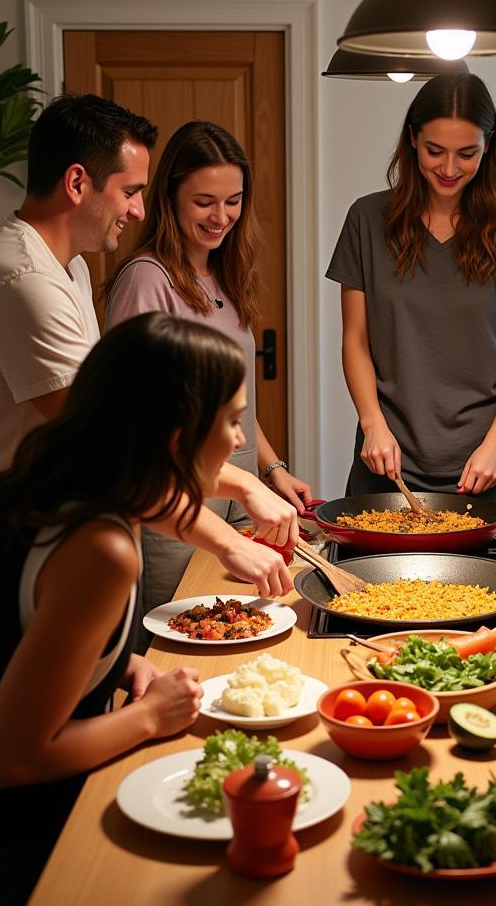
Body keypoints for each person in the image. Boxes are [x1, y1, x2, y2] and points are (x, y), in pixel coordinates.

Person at [0, 95, 295, 690]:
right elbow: (108, 451)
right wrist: (232, 519)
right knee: (4, 771)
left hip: (33, 561)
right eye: (129, 191)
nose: (140, 209)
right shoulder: (23, 284)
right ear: (77, 183)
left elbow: (119, 421)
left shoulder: (63, 266)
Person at [0, 313, 251, 904]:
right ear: (176, 439)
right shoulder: (102, 549)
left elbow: (26, 638)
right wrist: (153, 715)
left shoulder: (80, 489)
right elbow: (10, 758)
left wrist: (118, 663)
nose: (240, 442)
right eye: (230, 422)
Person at [103, 121, 311, 625]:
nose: (222, 217)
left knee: (250, 623)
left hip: (237, 488)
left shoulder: (225, 274)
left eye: (233, 200)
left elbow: (232, 402)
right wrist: (247, 482)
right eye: (204, 202)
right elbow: (138, 422)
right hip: (176, 501)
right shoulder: (147, 280)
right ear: (169, 196)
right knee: (184, 633)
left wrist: (271, 469)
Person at [326, 73, 496, 512]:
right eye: (435, 151)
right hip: (386, 462)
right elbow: (355, 339)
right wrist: (371, 422)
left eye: (466, 153)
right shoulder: (366, 219)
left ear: (487, 146)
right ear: (412, 139)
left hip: (485, 464)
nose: (450, 168)